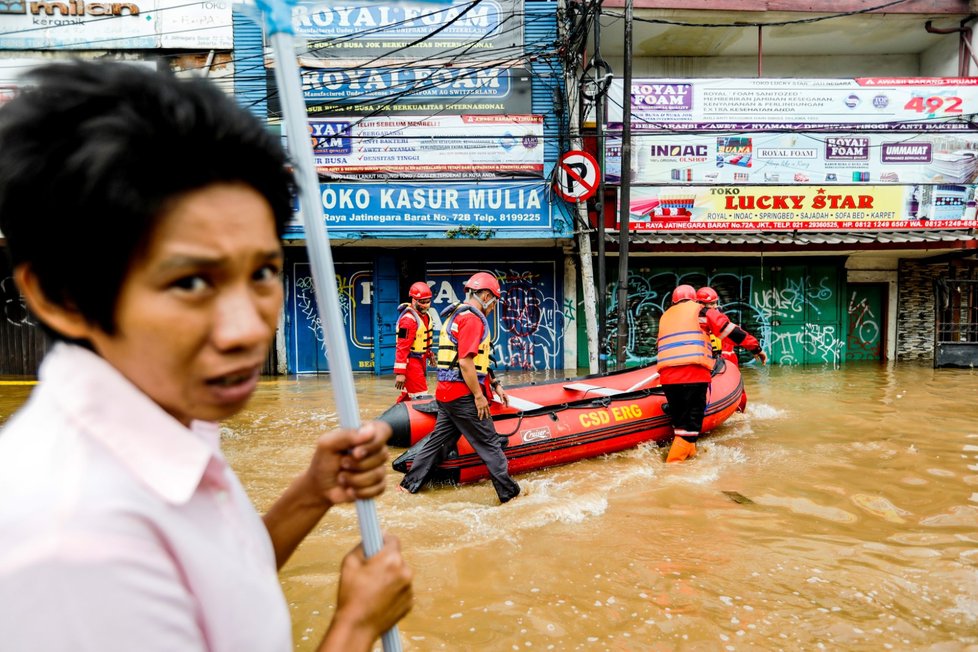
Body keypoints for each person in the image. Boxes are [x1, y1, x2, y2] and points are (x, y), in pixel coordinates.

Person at [0, 61, 412, 651]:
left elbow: (218, 595)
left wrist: (313, 492)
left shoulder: (176, 415)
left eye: (265, 271)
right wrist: (354, 629)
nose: (247, 330)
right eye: (192, 283)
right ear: (61, 295)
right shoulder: (69, 542)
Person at [398, 272, 521, 503]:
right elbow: (465, 362)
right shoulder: (473, 319)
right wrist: (479, 396)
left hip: (446, 394)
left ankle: (407, 486)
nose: (494, 306)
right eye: (494, 300)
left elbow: (475, 359)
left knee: (437, 442)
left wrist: (494, 385)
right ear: (485, 295)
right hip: (464, 396)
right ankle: (510, 495)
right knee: (490, 445)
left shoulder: (455, 314)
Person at [657, 284, 766, 463]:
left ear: (674, 301)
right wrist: (756, 348)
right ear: (694, 299)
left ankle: (690, 454)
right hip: (693, 374)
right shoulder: (701, 311)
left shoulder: (665, 317)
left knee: (681, 423)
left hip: (668, 378)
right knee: (691, 425)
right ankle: (673, 469)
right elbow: (731, 332)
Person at [394, 281, 435, 402]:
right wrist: (400, 373)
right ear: (413, 300)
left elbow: (423, 340)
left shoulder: (426, 316)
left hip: (420, 360)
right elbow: (402, 347)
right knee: (421, 396)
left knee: (407, 396)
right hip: (411, 363)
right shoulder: (408, 321)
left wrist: (429, 354)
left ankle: (389, 421)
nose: (426, 305)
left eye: (428, 302)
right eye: (422, 302)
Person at [695, 286, 757, 365]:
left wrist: (755, 348)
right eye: (711, 304)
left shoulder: (719, 320)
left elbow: (731, 339)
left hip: (718, 359)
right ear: (699, 304)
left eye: (715, 303)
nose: (715, 306)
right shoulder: (697, 320)